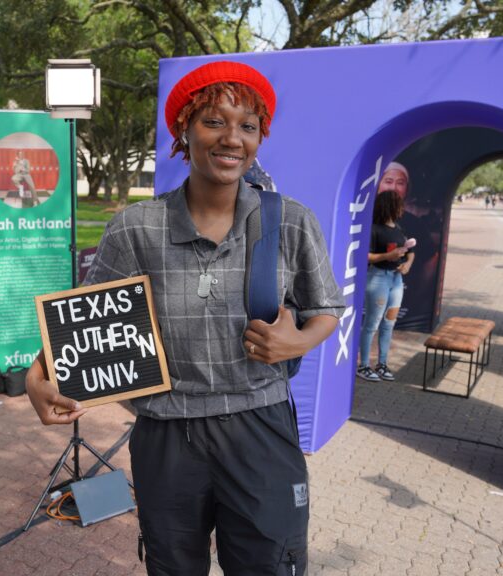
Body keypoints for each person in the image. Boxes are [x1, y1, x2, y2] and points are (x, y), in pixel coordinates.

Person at [24, 61, 345, 575]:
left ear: (260, 136)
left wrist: (298, 342)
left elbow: (326, 308)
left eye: (247, 126)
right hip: (167, 434)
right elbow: (82, 321)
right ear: (183, 130)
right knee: (172, 566)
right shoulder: (136, 229)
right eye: (214, 121)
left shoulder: (290, 222)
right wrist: (35, 378)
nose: (232, 139)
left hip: (259, 424)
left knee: (271, 564)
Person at [356, 189, 414, 382]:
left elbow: (411, 251)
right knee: (371, 324)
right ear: (390, 206)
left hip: (396, 280)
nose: (402, 208)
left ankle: (382, 364)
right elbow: (366, 256)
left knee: (389, 324)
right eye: (399, 204)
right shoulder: (373, 229)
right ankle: (364, 365)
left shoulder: (399, 229)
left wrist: (407, 264)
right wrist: (388, 256)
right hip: (378, 278)